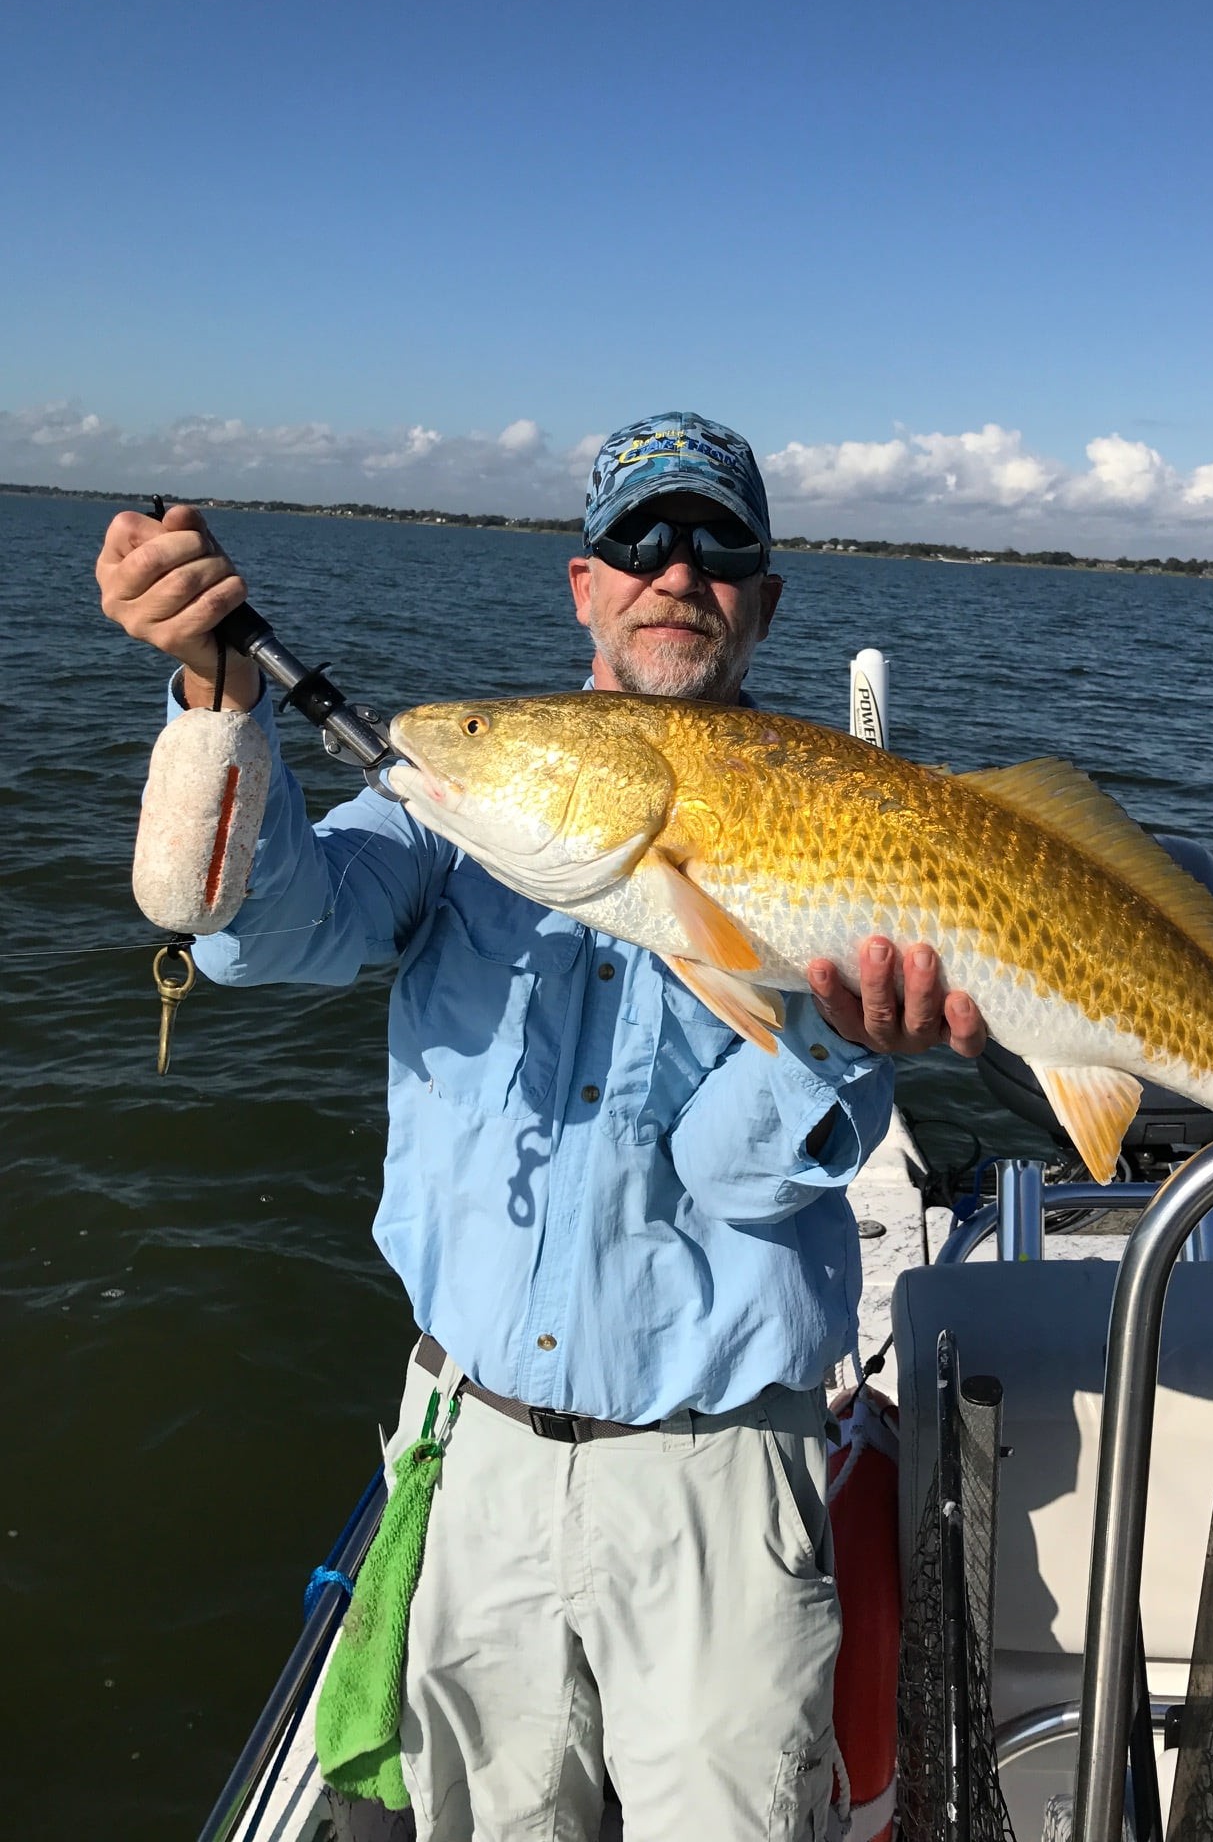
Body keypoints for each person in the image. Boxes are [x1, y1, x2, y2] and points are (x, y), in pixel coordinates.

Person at [96, 411, 987, 1842]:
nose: (673, 572)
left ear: (762, 599)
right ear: (584, 586)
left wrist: (833, 1032)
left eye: (717, 547)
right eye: (636, 541)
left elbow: (741, 1177)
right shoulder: (450, 810)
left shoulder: (831, 842)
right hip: (473, 1464)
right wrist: (217, 702)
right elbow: (262, 936)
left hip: (719, 1483)